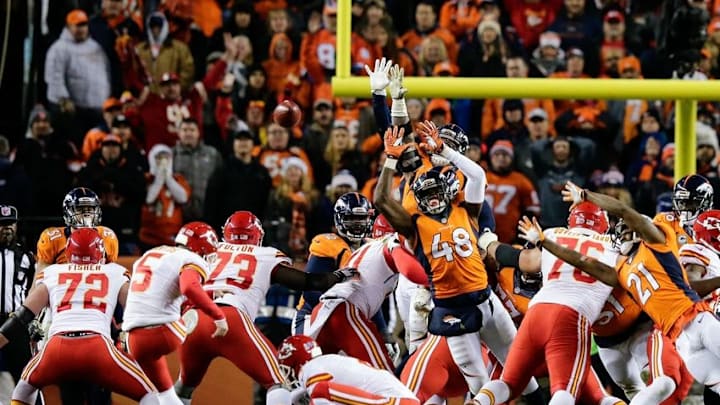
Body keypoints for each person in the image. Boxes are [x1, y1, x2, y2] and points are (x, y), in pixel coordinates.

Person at [374, 125, 540, 399]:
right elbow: (381, 199)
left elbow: (478, 175)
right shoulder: (414, 227)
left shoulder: (467, 211)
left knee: (523, 373)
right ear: (418, 200)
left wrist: (445, 151)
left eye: (437, 193)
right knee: (481, 388)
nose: (434, 199)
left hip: (487, 300)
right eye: (426, 196)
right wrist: (390, 161)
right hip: (453, 311)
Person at [535, 181, 718, 404]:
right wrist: (546, 243)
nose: (623, 233)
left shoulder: (658, 244)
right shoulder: (621, 269)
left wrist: (586, 195)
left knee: (666, 384)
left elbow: (623, 211)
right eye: (620, 230)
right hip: (676, 335)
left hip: (694, 318)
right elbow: (584, 261)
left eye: (628, 228)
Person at [175, 211, 358, 404]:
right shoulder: (265, 255)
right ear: (258, 235)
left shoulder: (212, 250)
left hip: (193, 320)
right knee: (279, 382)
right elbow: (309, 282)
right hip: (230, 317)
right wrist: (341, 275)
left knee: (183, 389)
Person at [474, 202, 625, 405]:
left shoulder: (552, 235)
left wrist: (487, 241)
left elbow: (524, 260)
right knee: (568, 392)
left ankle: (477, 402)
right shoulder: (615, 247)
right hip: (571, 318)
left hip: (538, 311)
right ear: (604, 225)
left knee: (508, 382)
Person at [0, 228, 159, 404]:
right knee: (150, 394)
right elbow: (137, 309)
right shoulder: (114, 272)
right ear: (100, 251)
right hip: (97, 347)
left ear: (68, 252)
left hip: (57, 349)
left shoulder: (52, 273)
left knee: (23, 390)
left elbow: (22, 316)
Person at [122, 221, 229, 403]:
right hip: (165, 332)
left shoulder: (151, 253)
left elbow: (160, 291)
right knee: (193, 311)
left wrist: (209, 292)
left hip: (134, 339)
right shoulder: (191, 258)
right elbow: (188, 287)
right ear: (201, 248)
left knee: (166, 396)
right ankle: (188, 319)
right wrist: (218, 316)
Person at [305, 216, 427, 371]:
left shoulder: (367, 249)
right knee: (384, 375)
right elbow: (411, 271)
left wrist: (383, 333)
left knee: (319, 378)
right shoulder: (392, 243)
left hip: (326, 313)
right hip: (345, 312)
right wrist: (437, 282)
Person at [291, 192, 376, 335]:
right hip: (313, 316)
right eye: (350, 218)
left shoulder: (372, 248)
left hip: (352, 319)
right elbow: (312, 292)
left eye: (361, 218)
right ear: (338, 219)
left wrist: (384, 334)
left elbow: (373, 300)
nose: (357, 224)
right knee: (307, 354)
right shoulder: (327, 244)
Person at [278, 335, 420, 405]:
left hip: (393, 402)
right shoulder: (326, 363)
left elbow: (321, 391)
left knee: (321, 392)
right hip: (399, 401)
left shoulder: (311, 369)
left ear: (295, 362)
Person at [0, 206, 35, 397]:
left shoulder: (27, 258)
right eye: (3, 224)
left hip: (17, 323)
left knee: (25, 378)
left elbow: (31, 291)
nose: (7, 228)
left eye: (11, 223)